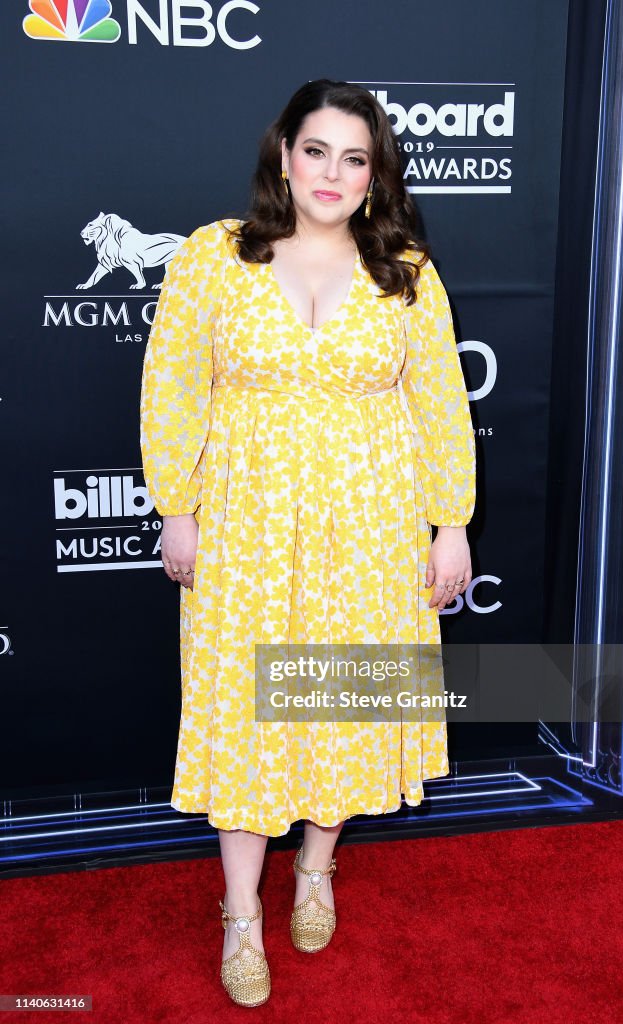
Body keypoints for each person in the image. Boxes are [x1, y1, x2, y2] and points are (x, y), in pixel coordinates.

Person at [140, 78, 476, 1008]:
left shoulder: (403, 269)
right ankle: (241, 913)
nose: (332, 173)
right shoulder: (213, 258)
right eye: (316, 149)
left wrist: (449, 524)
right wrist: (176, 507)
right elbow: (173, 389)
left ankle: (316, 868)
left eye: (354, 157)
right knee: (245, 716)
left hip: (372, 526)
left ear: (374, 177)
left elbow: (440, 402)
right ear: (283, 152)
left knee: (345, 701)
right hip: (246, 523)